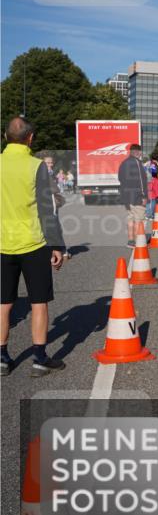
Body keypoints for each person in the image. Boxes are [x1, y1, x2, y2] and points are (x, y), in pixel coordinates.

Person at [1, 117, 66, 377]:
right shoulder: (36, 166)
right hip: (33, 242)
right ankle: (39, 358)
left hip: (3, 243)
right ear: (30, 138)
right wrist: (57, 245)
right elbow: (46, 208)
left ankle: (2, 358)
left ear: (5, 137)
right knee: (39, 301)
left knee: (3, 303)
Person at [117, 144, 148, 247]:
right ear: (137, 152)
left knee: (130, 218)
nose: (141, 153)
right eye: (140, 151)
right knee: (139, 219)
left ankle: (131, 240)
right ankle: (138, 241)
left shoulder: (123, 163)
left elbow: (120, 178)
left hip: (126, 196)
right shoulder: (137, 163)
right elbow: (142, 181)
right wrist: (144, 196)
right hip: (137, 196)